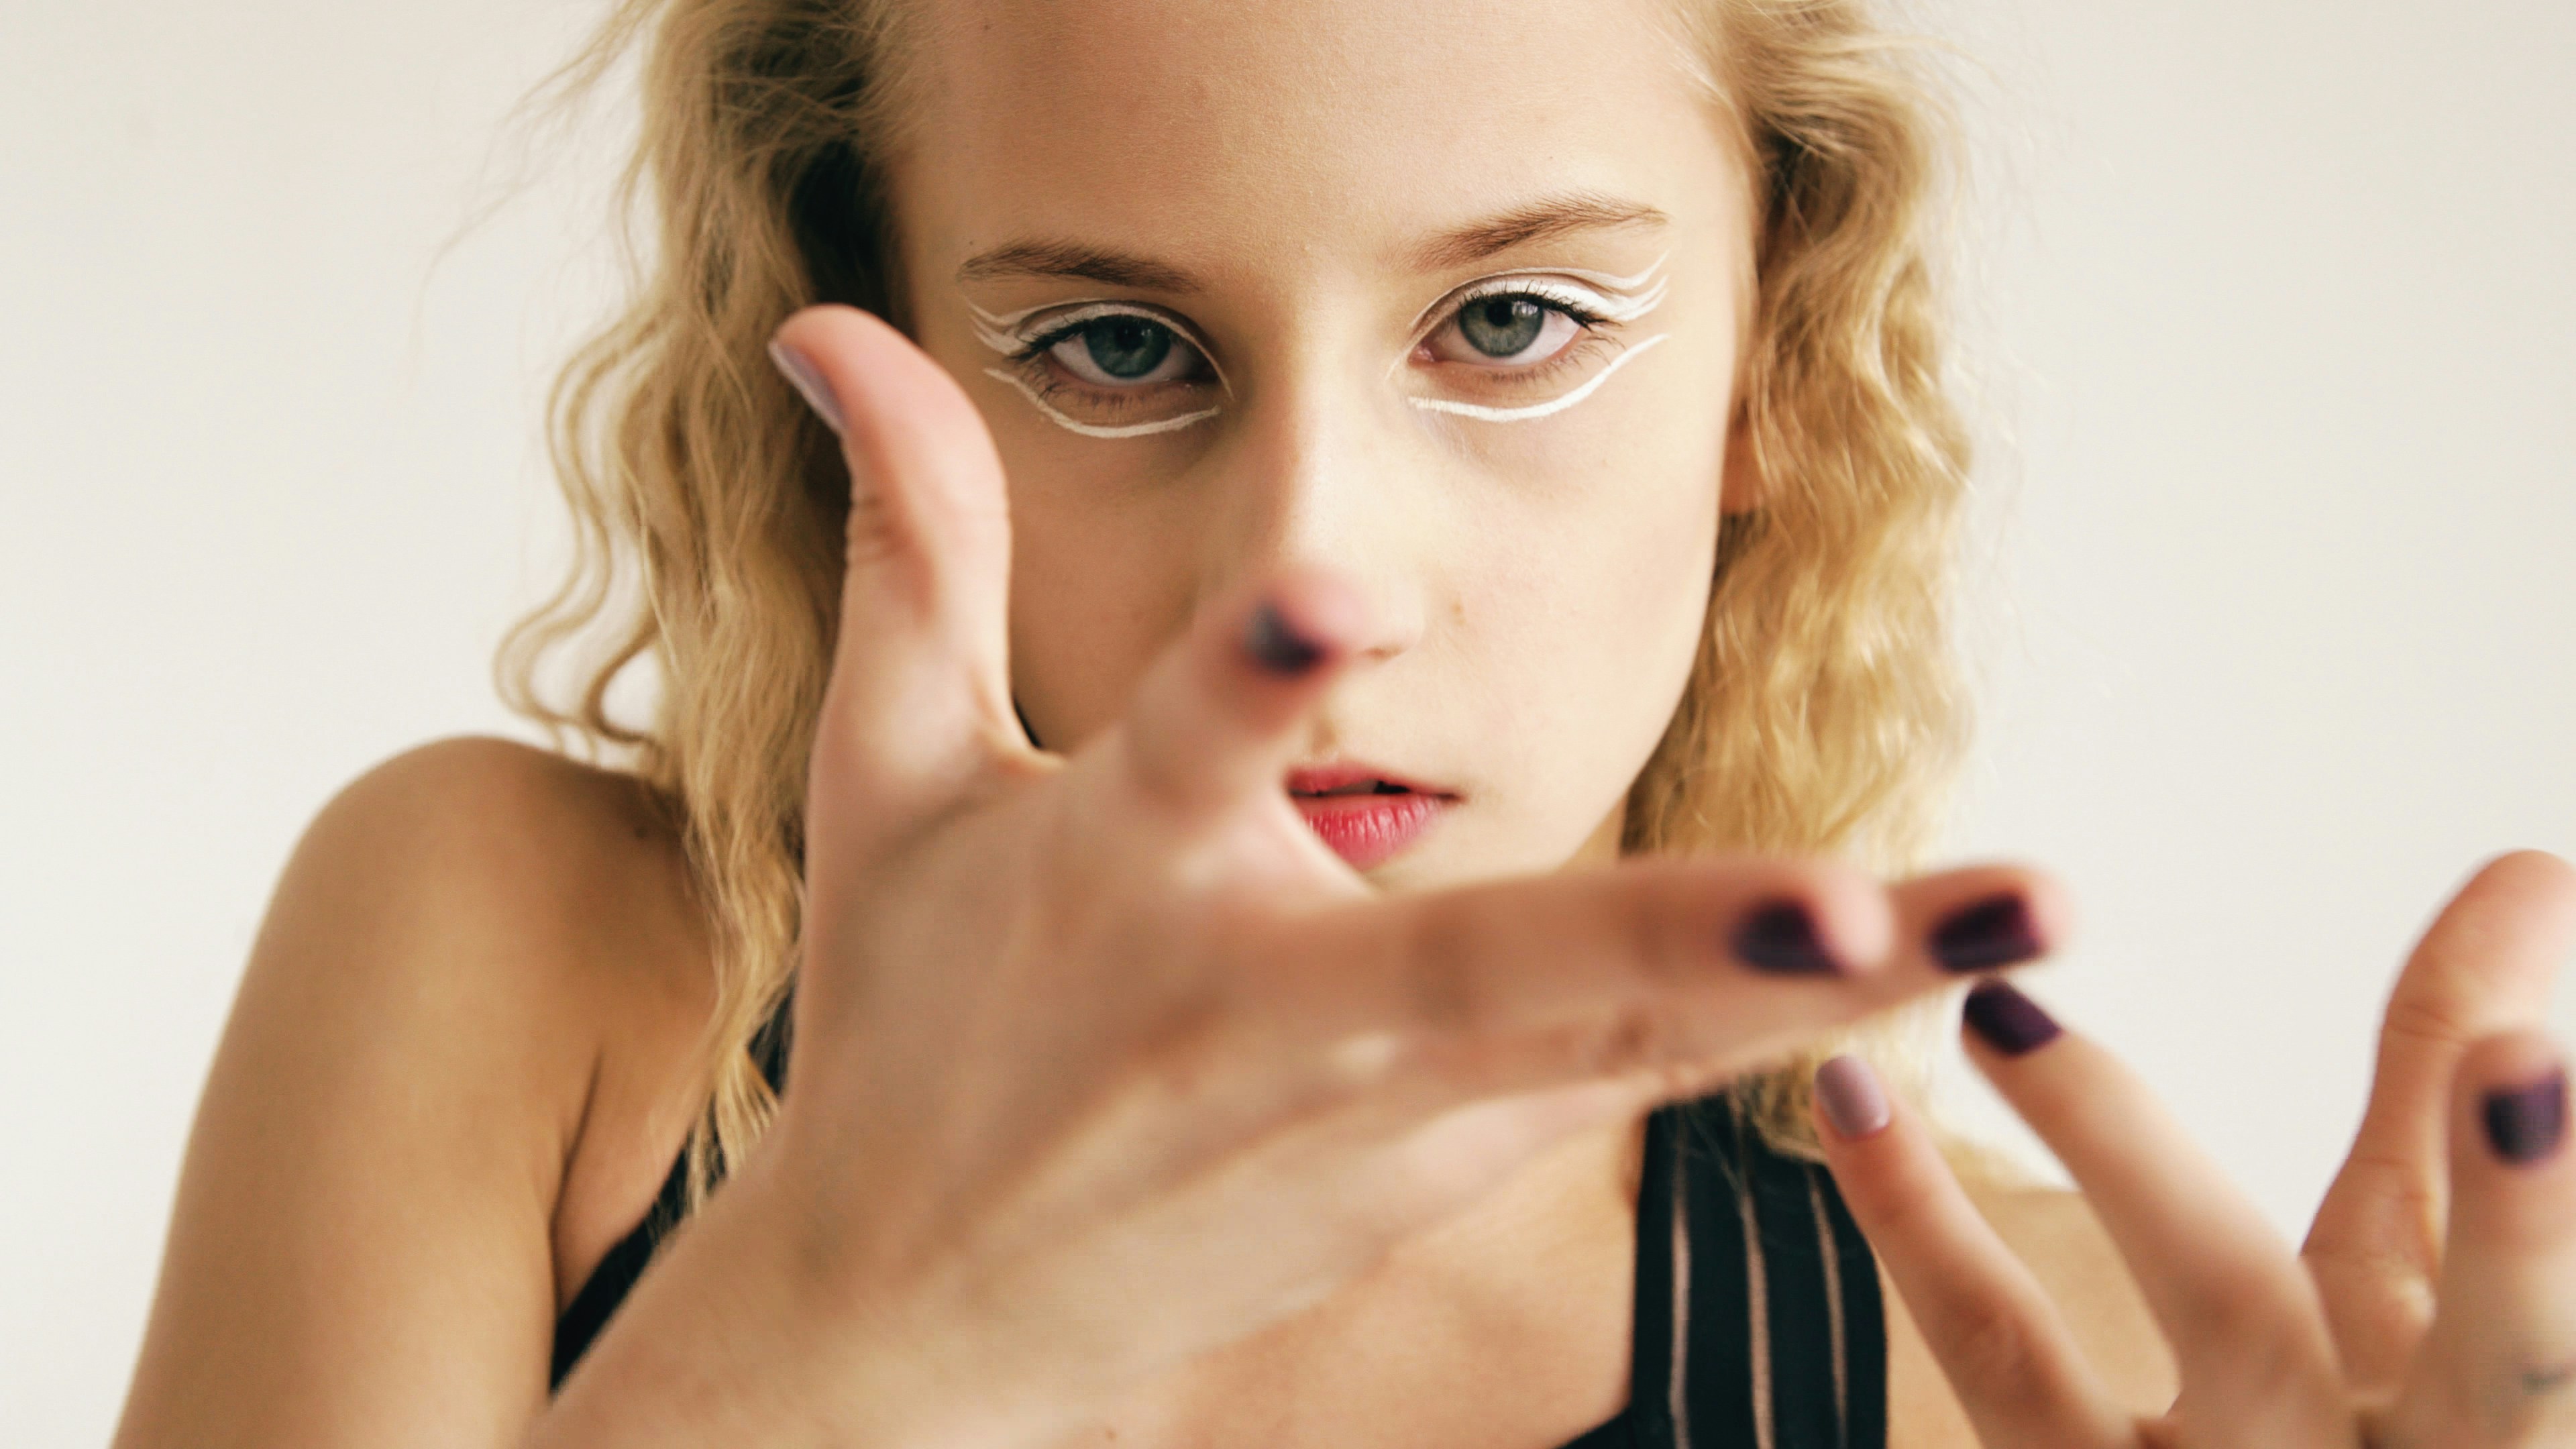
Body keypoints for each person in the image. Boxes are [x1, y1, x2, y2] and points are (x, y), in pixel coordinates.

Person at [111, 0, 2576, 1444]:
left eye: (1509, 328)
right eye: (1111, 348)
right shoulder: (525, 968)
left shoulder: (2039, 1367)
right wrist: (836, 1328)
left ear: (1773, 370)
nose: (1311, 577)